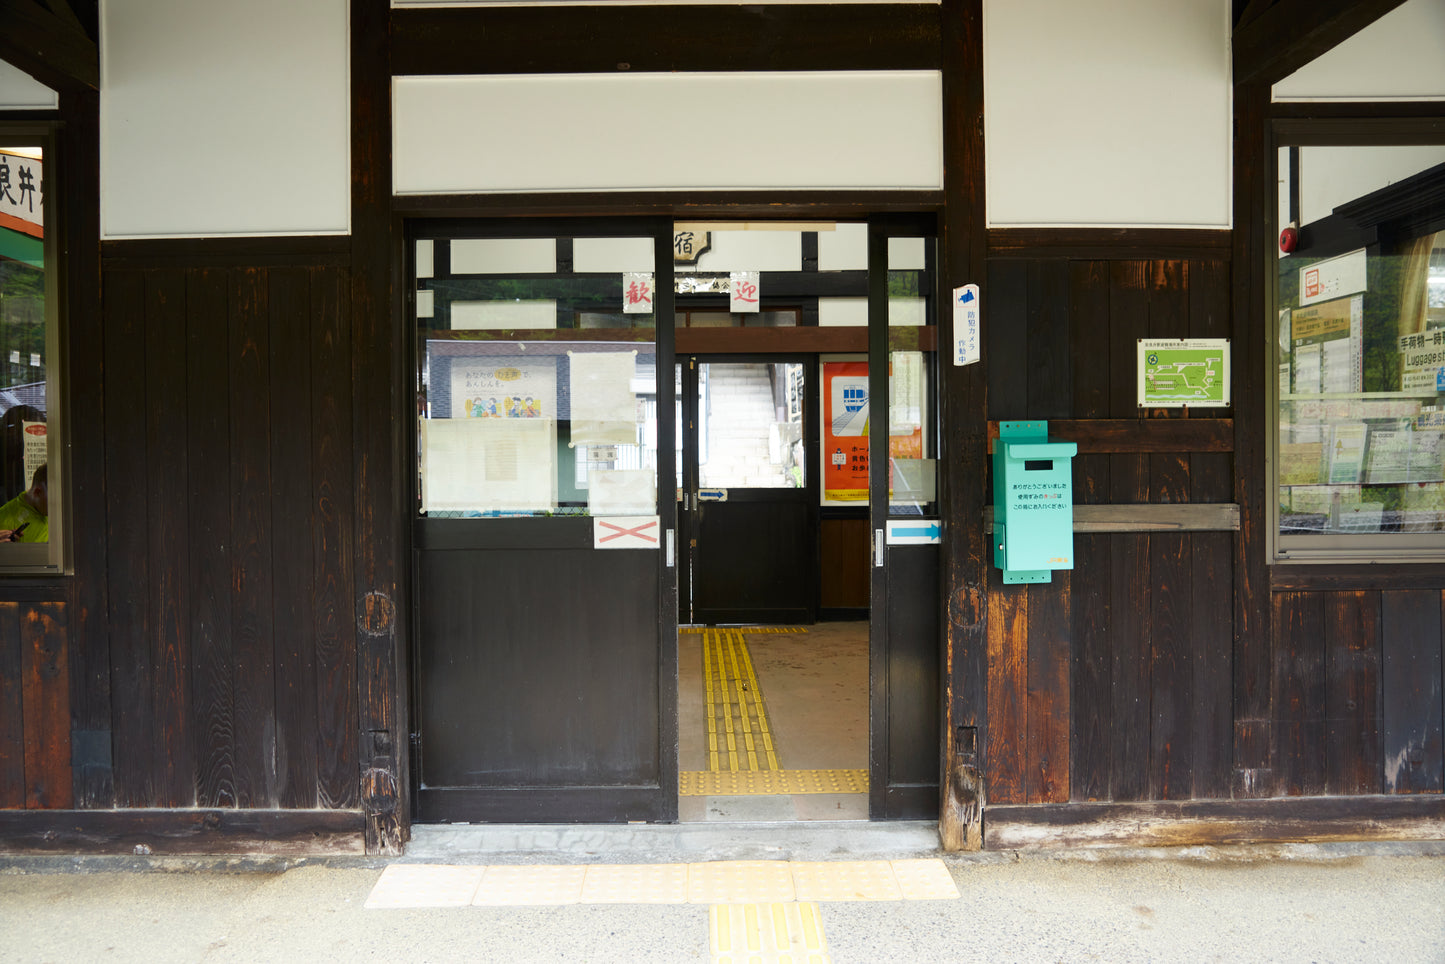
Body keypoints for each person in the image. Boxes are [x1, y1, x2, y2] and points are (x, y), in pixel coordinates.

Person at [0, 463, 47, 543]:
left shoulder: (55, 514)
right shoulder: (4, 519)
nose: (61, 506)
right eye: (55, 499)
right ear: (37, 492)